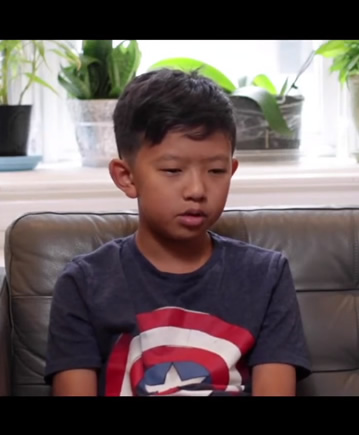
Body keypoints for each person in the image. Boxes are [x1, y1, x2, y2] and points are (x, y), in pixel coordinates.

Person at [43, 68, 311, 396]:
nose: (197, 190)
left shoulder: (266, 276)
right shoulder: (84, 284)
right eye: (173, 170)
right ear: (126, 177)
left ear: (232, 170)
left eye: (216, 171)